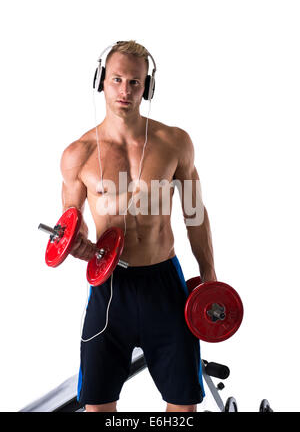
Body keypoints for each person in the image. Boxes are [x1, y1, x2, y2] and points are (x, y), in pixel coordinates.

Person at [60, 40, 217, 412]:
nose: (125, 91)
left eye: (135, 82)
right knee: (97, 406)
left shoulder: (174, 142)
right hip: (110, 287)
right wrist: (77, 241)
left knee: (183, 406)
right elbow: (70, 221)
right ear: (101, 80)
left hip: (165, 284)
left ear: (148, 86)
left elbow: (194, 212)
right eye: (116, 80)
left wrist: (209, 273)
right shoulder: (78, 154)